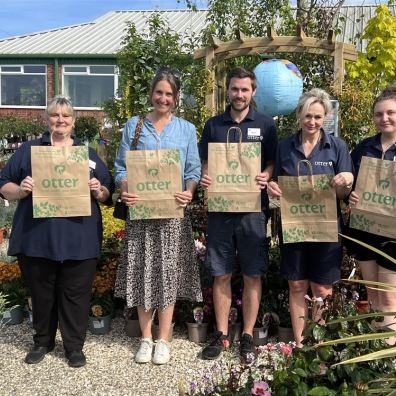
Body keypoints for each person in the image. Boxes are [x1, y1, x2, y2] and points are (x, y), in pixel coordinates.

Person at [0, 96, 114, 367]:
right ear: (47, 119)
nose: (60, 120)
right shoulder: (29, 151)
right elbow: (3, 183)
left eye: (65, 115)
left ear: (73, 121)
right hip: (38, 238)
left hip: (80, 238)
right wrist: (21, 190)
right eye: (54, 115)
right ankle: (42, 342)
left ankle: (74, 347)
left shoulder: (87, 155)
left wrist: (97, 188)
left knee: (76, 294)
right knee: (41, 293)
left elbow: (108, 193)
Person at [114, 67, 202, 365]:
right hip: (141, 213)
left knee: (167, 275)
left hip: (172, 215)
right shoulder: (134, 125)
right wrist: (125, 189)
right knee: (142, 273)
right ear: (152, 94)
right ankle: (146, 337)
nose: (163, 98)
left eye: (169, 94)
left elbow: (193, 170)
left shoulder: (187, 130)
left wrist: (189, 191)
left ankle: (164, 338)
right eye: (159, 92)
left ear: (176, 98)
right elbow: (121, 167)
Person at [199, 67, 278, 360]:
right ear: (228, 90)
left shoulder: (267, 125)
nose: (239, 94)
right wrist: (206, 176)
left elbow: (272, 162)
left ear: (253, 92)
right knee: (221, 272)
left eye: (245, 90)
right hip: (221, 210)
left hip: (253, 212)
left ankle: (247, 335)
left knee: (252, 273)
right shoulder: (213, 125)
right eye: (235, 89)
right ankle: (220, 334)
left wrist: (266, 175)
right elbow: (205, 161)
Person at [267, 88, 354, 347]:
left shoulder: (337, 147)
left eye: (318, 117)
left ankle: (319, 346)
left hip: (326, 230)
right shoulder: (285, 147)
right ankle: (300, 345)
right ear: (299, 116)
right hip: (294, 229)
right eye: (307, 116)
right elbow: (275, 185)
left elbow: (342, 194)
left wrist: (346, 180)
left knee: (322, 290)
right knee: (296, 286)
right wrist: (273, 187)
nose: (312, 122)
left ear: (325, 117)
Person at [348, 86, 396, 344]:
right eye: (379, 114)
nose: (384, 118)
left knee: (389, 296)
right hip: (366, 230)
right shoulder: (364, 147)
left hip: (393, 235)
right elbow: (351, 183)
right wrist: (350, 194)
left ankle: (388, 357)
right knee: (373, 292)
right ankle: (376, 346)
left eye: (390, 112)